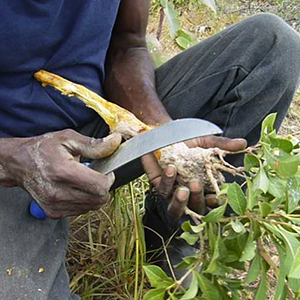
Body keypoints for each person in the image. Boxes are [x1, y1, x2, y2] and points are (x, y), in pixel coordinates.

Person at [0, 0, 299, 299]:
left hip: (99, 129)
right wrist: (14, 160)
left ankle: (177, 234)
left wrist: (158, 133)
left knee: (274, 46)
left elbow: (127, 45)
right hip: (10, 155)